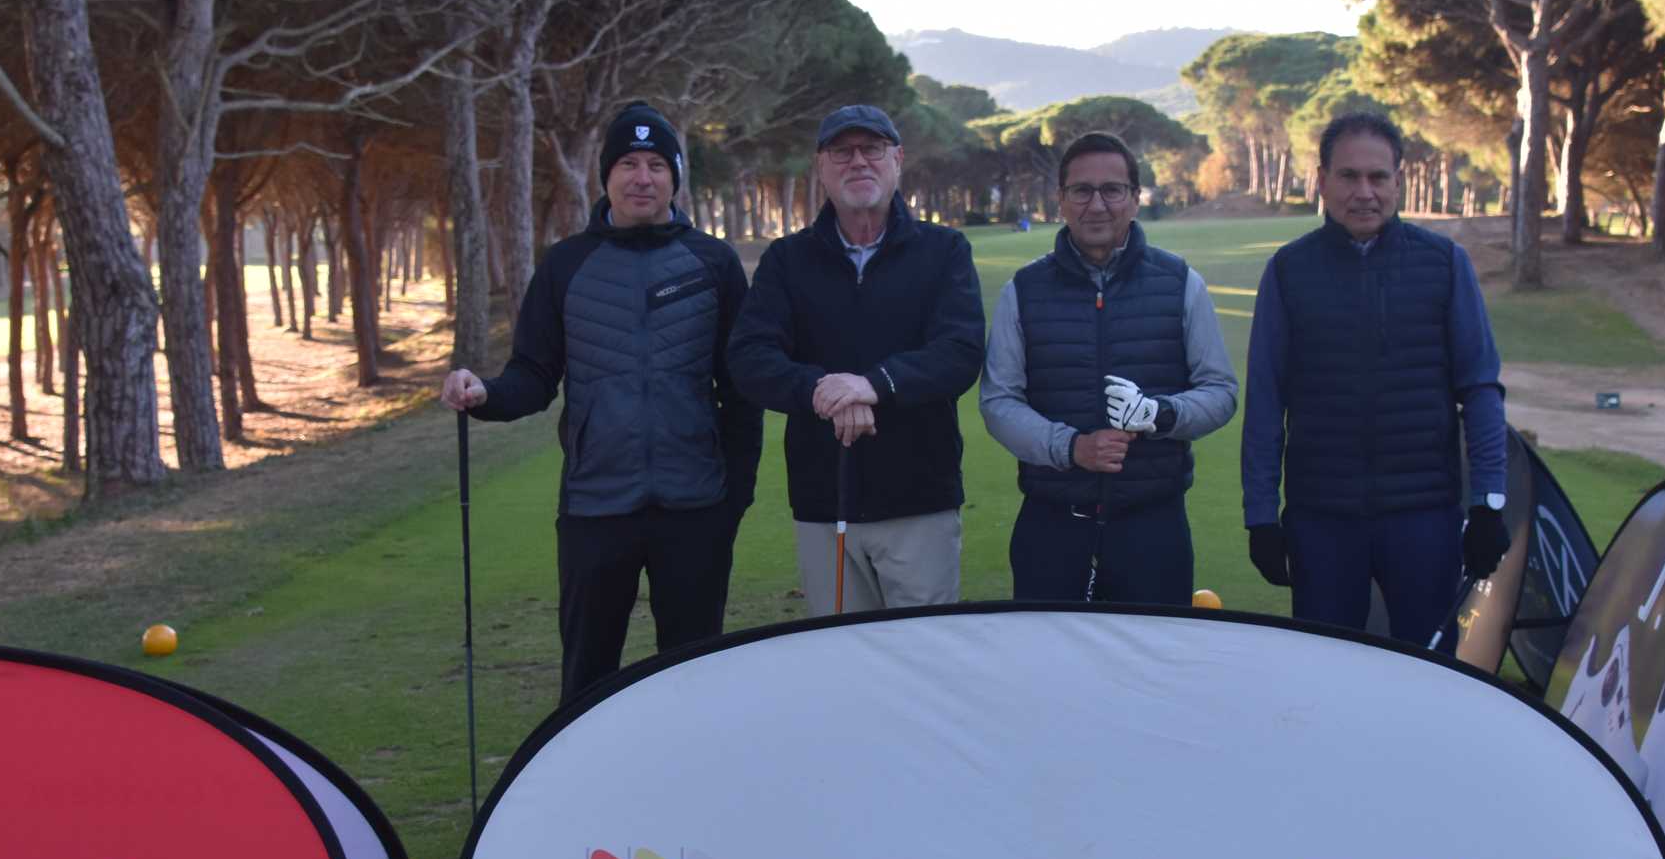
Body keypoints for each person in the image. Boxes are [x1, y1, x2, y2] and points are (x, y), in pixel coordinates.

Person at [440, 100, 762, 704]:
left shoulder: (713, 263)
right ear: (606, 175)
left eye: (657, 165)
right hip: (595, 505)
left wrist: (734, 498)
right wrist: (485, 393)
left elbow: (741, 390)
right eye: (629, 164)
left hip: (694, 505)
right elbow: (534, 374)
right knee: (588, 681)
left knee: (694, 678)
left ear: (675, 177)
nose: (643, 177)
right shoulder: (566, 264)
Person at [1239, 112, 1510, 645]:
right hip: (1321, 520)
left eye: (1378, 177)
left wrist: (1488, 504)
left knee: (1428, 673)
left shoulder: (1444, 263)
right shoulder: (1289, 270)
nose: (1364, 192)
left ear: (1397, 181)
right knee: (1325, 672)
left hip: (1424, 517)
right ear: (1322, 181)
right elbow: (1267, 401)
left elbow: (1480, 389)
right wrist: (1261, 516)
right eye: (1348, 176)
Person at [728, 104, 984, 614]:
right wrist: (821, 390)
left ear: (898, 159)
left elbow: (959, 352)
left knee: (922, 652)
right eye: (842, 152)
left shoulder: (944, 250)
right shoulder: (787, 260)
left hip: (920, 501)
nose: (858, 161)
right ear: (821, 167)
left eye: (872, 149)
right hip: (825, 502)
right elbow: (750, 357)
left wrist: (874, 385)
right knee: (841, 655)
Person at [980, 131, 1237, 603]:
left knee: (1151, 652)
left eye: (1112, 190)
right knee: (1049, 650)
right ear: (1061, 200)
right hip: (1052, 525)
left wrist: (1159, 414)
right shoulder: (1024, 290)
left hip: (1152, 527)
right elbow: (999, 401)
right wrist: (1072, 447)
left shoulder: (1182, 283)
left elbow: (1220, 391)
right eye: (1081, 190)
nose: (1096, 205)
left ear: (1135, 199)